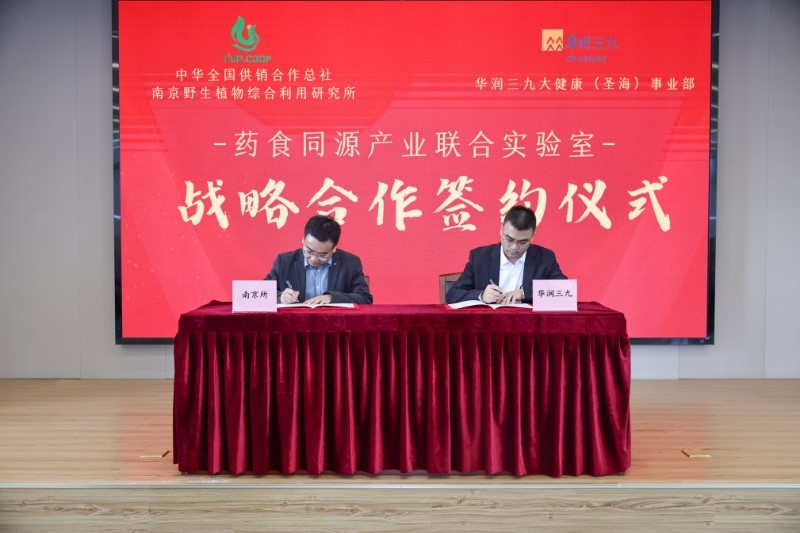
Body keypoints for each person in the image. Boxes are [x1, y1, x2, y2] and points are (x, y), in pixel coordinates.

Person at [446, 205, 566, 304]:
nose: (514, 247)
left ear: (532, 237)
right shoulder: (480, 258)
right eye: (509, 239)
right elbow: (452, 295)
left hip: (529, 323)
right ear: (501, 230)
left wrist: (525, 293)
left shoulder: (545, 258)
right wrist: (481, 295)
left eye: (522, 242)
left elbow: (565, 291)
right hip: (489, 323)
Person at [265, 215, 373, 305]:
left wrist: (331, 298)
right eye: (309, 251)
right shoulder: (284, 262)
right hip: (295, 323)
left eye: (322, 255)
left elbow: (364, 298)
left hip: (334, 323)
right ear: (303, 240)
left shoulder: (350, 263)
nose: (314, 259)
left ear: (334, 248)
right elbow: (261, 294)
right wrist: (279, 297)